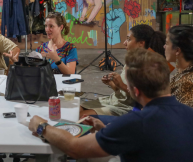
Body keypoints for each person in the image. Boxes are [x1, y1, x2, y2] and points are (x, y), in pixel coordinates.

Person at [29, 48, 193, 161]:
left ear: (135, 91)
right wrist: (105, 130)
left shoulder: (136, 123)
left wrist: (41, 125)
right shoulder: (188, 113)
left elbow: (74, 148)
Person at [80, 24, 166, 117]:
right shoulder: (132, 59)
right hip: (114, 101)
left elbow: (142, 97)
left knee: (82, 116)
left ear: (141, 43)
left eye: (129, 39)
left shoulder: (148, 66)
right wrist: (114, 84)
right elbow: (122, 93)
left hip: (126, 108)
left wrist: (121, 84)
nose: (125, 42)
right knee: (78, 110)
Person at [165, 25, 193, 107]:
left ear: (177, 50)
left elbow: (180, 116)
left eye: (166, 43)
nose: (164, 46)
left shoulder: (188, 84)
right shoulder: (182, 72)